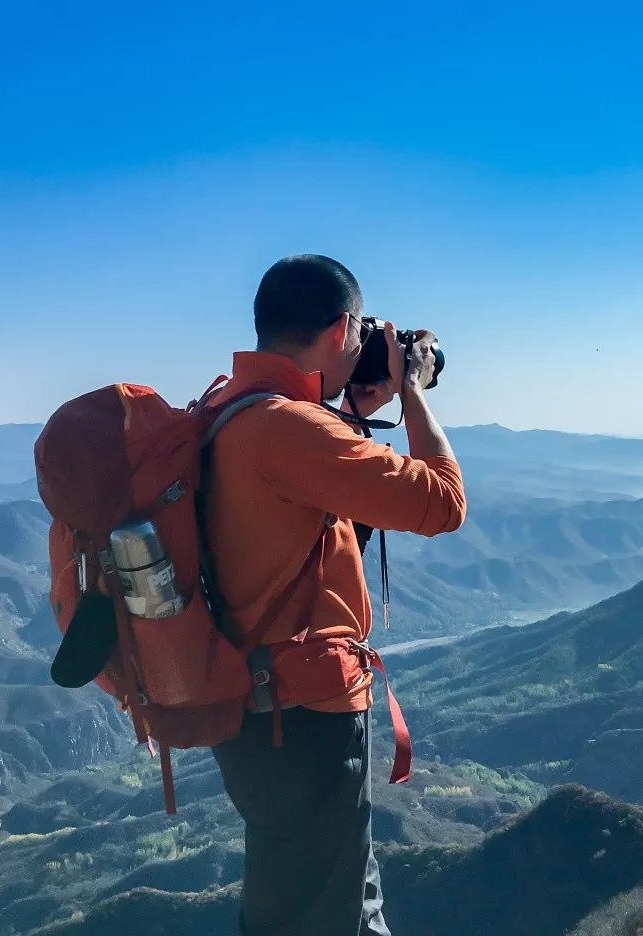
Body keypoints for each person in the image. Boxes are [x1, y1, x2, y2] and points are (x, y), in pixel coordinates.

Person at [202, 254, 467, 935]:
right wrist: (413, 393)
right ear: (343, 326)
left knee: (321, 893)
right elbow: (442, 501)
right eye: (360, 334)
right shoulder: (289, 429)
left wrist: (351, 407)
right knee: (321, 913)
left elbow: (307, 492)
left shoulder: (226, 409)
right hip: (304, 717)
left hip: (254, 709)